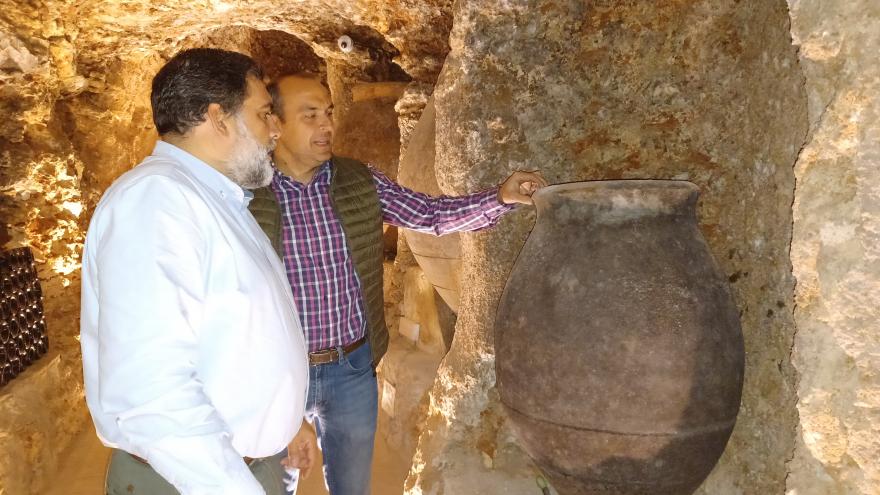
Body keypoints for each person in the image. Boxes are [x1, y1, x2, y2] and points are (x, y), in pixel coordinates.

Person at [249, 73, 546, 495]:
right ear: (274, 123)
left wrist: (500, 197)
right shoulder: (244, 194)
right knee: (270, 486)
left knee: (352, 488)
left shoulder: (357, 181)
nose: (326, 125)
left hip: (351, 369)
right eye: (310, 115)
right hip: (277, 373)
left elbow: (431, 215)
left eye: (328, 113)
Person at [80, 48, 314, 495]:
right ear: (218, 118)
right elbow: (152, 395)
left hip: (235, 467)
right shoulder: (157, 203)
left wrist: (286, 420)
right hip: (192, 481)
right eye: (265, 113)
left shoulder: (212, 198)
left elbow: (242, 337)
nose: (275, 128)